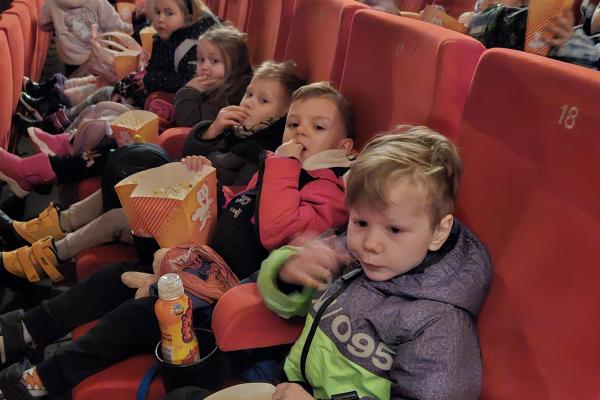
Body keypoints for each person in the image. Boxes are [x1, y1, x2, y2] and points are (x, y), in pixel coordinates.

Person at [0, 82, 357, 400]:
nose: (301, 133)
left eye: (318, 127)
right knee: (113, 279)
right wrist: (208, 189)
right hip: (198, 269)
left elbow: (276, 230)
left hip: (219, 304)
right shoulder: (281, 171)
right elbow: (239, 211)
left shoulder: (329, 191)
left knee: (134, 318)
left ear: (344, 147)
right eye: (293, 124)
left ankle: (40, 381)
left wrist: (283, 164)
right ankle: (23, 332)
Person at [0, 61, 304, 284]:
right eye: (249, 94)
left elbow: (234, 201)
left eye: (263, 101)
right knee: (130, 179)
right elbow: (190, 151)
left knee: (123, 197)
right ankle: (48, 230)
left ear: (283, 116)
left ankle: (48, 255)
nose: (249, 103)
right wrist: (212, 131)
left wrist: (206, 174)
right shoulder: (233, 130)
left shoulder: (263, 152)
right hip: (180, 208)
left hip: (194, 232)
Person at [252, 126, 492, 399]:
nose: (370, 243)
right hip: (292, 379)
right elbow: (286, 305)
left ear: (438, 232)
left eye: (394, 230)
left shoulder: (439, 326)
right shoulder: (347, 255)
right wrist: (288, 271)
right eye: (361, 222)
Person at [13, 0, 218, 133]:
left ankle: (58, 126)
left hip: (161, 107)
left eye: (168, 13)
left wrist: (146, 80)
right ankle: (54, 120)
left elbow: (187, 81)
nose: (160, 19)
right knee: (103, 89)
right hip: (147, 94)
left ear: (188, 14)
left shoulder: (195, 44)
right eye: (157, 12)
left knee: (102, 94)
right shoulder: (169, 34)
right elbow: (154, 66)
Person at [174, 24, 253, 127]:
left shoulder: (225, 98)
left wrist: (188, 90)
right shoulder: (208, 84)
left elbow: (190, 125)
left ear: (236, 66)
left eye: (215, 61)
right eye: (201, 60)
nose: (204, 66)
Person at [38, 0, 132, 75]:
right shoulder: (99, 1)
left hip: (69, 56)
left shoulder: (51, 2)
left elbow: (43, 24)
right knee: (95, 85)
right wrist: (133, 25)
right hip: (96, 54)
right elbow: (114, 25)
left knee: (72, 83)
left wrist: (57, 25)